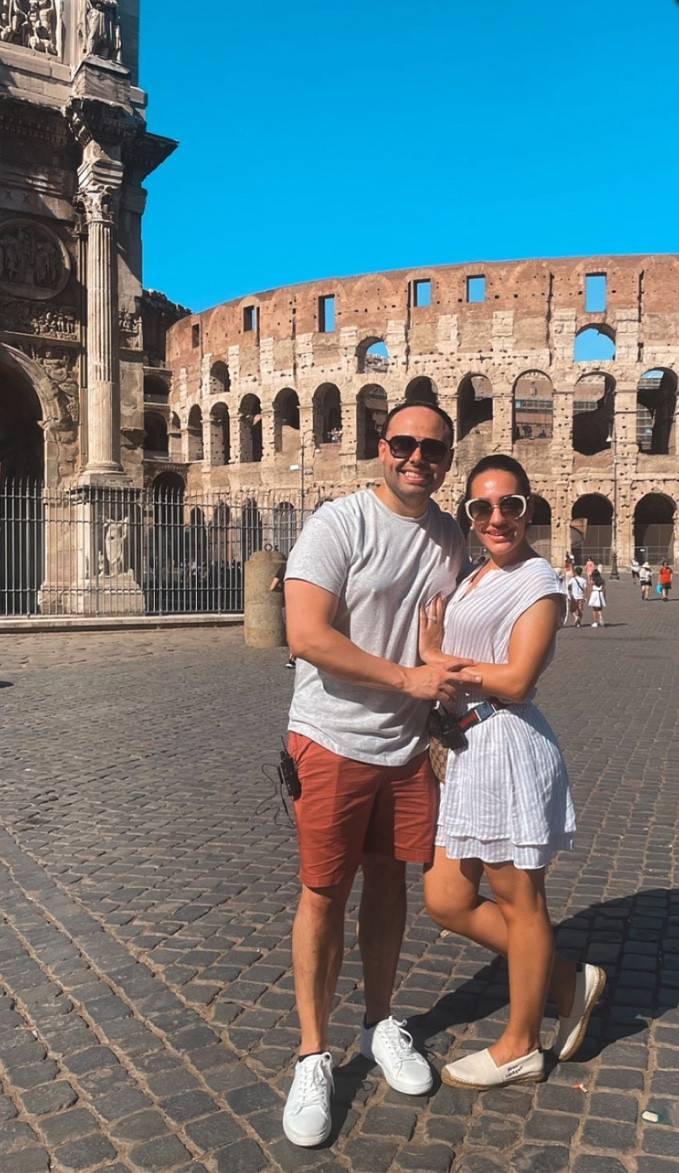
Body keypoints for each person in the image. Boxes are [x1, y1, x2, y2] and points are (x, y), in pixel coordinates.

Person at [280, 402, 482, 1147]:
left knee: (389, 884)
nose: (416, 457)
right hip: (330, 739)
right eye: (404, 443)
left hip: (402, 751)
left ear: (447, 457)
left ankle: (376, 1022)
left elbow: (442, 631)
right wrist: (406, 679)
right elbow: (305, 634)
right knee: (323, 894)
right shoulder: (338, 524)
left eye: (432, 448)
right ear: (381, 447)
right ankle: (311, 1053)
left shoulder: (447, 535)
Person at [419, 455, 605, 1090]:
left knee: (520, 902)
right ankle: (562, 979)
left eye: (510, 505)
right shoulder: (475, 574)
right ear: (470, 517)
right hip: (471, 751)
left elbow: (520, 680)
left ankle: (522, 1044)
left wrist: (438, 661)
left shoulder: (539, 582)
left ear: (529, 509)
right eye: (482, 508)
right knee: (445, 897)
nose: (497, 518)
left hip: (507, 747)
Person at [269, 558, 296, 668]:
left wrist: (283, 590)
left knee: (291, 630)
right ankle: (293, 657)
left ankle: (292, 657)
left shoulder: (283, 568)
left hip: (289, 603)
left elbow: (272, 587)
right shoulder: (303, 566)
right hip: (302, 601)